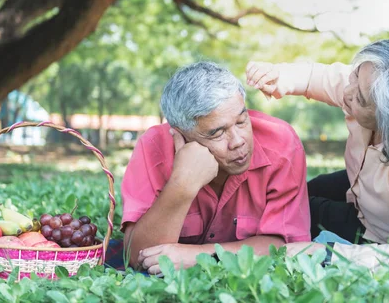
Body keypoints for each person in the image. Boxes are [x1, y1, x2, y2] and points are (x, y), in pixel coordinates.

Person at [246, 39, 389, 268]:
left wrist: (330, 254)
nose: (346, 92)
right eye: (355, 75)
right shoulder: (371, 81)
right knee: (300, 192)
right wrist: (279, 77)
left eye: (359, 98)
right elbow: (313, 77)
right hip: (367, 184)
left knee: (310, 210)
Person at [121, 62, 310, 274]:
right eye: (216, 133)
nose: (238, 141)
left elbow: (286, 247)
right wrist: (182, 185)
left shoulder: (281, 144)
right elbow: (136, 256)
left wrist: (199, 257)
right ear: (181, 135)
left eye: (241, 121)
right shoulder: (153, 147)